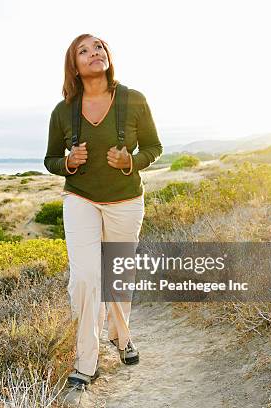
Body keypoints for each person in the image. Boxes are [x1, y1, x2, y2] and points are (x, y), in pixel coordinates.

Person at [43, 33, 163, 391]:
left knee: (119, 277)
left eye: (99, 47)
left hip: (125, 200)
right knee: (84, 278)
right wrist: (68, 163)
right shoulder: (62, 111)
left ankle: (121, 337)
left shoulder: (134, 100)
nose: (94, 52)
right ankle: (86, 360)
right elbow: (50, 160)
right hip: (80, 198)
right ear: (74, 66)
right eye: (84, 50)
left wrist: (132, 160)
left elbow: (155, 147)